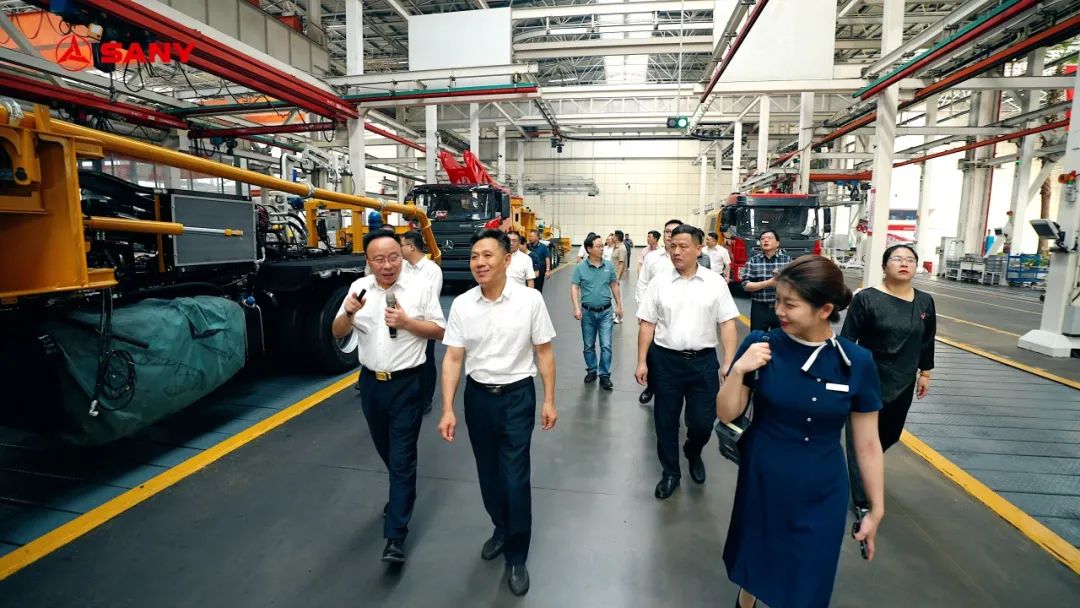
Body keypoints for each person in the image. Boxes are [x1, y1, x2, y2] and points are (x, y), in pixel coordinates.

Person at [715, 255, 884, 608]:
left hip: (823, 486)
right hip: (765, 475)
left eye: (789, 304)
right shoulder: (761, 346)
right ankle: (746, 598)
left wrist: (875, 509)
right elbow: (727, 412)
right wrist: (738, 371)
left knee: (810, 571)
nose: (779, 311)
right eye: (777, 300)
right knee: (758, 557)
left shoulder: (856, 362)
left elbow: (867, 444)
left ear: (824, 309)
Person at [438, 229, 558, 597]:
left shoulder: (530, 301)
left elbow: (544, 353)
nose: (479, 262)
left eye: (488, 255)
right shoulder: (462, 304)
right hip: (478, 398)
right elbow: (453, 358)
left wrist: (548, 399)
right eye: (475, 256)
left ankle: (517, 554)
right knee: (488, 474)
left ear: (507, 260)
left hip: (517, 397)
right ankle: (501, 527)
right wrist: (447, 408)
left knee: (515, 477)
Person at [331, 230, 447, 565]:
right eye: (379, 259)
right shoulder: (358, 290)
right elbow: (338, 333)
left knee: (402, 457)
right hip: (371, 384)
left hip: (407, 385)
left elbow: (440, 331)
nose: (387, 265)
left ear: (403, 255)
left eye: (393, 257)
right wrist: (348, 313)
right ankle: (401, 490)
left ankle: (396, 537)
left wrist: (408, 322)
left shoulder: (419, 288)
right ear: (368, 261)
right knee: (386, 450)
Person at [636, 224, 739, 499]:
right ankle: (670, 472)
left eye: (683, 247)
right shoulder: (659, 282)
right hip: (666, 362)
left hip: (704, 363)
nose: (676, 251)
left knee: (702, 423)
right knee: (665, 422)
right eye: (673, 246)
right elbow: (647, 324)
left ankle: (693, 451)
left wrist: (728, 361)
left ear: (698, 248)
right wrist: (642, 362)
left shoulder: (715, 283)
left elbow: (728, 324)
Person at [841, 244, 936, 511]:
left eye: (910, 260)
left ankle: (866, 465)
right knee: (861, 438)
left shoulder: (925, 301)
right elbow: (847, 339)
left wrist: (925, 372)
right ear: (884, 266)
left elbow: (926, 339)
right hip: (868, 378)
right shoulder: (866, 299)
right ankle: (863, 499)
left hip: (903, 379)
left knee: (889, 434)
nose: (904, 263)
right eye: (897, 259)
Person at [635, 219, 682, 405]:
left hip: (680, 317)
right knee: (653, 355)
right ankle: (652, 387)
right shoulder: (652, 258)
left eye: (674, 231)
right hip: (655, 317)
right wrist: (643, 312)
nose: (669, 235)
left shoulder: (689, 258)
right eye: (667, 231)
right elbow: (642, 285)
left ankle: (678, 387)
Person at [571, 233, 623, 391]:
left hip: (606, 312)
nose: (602, 248)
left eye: (602, 246)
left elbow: (614, 285)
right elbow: (575, 287)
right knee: (588, 345)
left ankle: (605, 375)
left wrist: (619, 305)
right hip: (587, 313)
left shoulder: (608, 266)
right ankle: (592, 370)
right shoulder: (580, 268)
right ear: (589, 249)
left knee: (606, 345)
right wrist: (576, 307)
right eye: (599, 246)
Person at [400, 230, 444, 415]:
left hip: (425, 323)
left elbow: (430, 300)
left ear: (411, 247)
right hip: (404, 323)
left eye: (401, 245)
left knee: (426, 361)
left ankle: (426, 399)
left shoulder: (432, 270)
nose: (399, 249)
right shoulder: (402, 267)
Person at [742, 230, 792, 332]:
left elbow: (794, 283)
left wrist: (781, 281)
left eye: (769, 238)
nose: (765, 240)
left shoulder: (787, 260)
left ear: (777, 243)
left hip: (781, 306)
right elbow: (745, 285)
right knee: (757, 339)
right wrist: (770, 283)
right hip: (759, 307)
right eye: (762, 239)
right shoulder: (753, 260)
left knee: (781, 339)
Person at [610, 231, 628, 323]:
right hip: (612, 276)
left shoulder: (622, 248)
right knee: (613, 297)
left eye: (613, 236)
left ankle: (620, 317)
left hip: (618, 277)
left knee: (619, 297)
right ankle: (614, 313)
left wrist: (618, 278)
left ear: (616, 238)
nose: (612, 237)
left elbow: (621, 264)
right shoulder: (615, 247)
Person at [526, 229, 551, 293]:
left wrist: (547, 270)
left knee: (538, 289)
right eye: (529, 236)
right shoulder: (527, 246)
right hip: (528, 270)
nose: (529, 238)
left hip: (540, 272)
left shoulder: (543, 247)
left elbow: (547, 258)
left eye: (531, 236)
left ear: (537, 237)